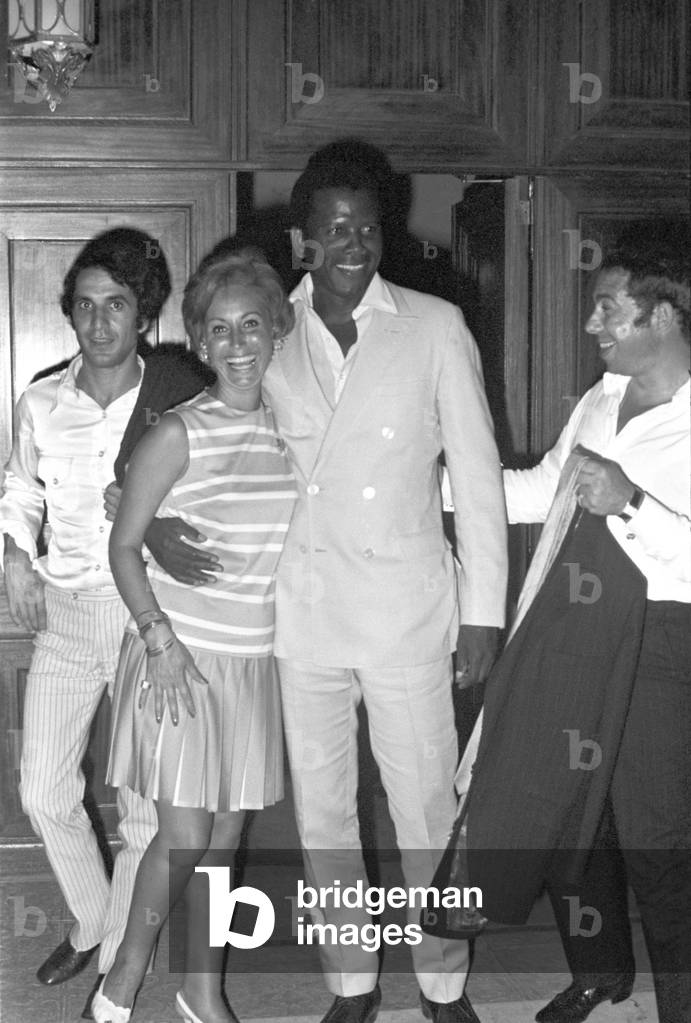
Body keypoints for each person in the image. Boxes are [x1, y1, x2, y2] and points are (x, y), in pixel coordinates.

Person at [148, 140, 508, 1023]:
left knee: (425, 804)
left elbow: (478, 473)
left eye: (366, 225)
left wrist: (482, 614)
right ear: (305, 240)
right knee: (324, 815)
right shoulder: (269, 330)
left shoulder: (432, 326)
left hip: (408, 612)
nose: (352, 241)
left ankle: (441, 983)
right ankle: (350, 983)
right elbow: (192, 426)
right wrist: (144, 509)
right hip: (301, 616)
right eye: (333, 226)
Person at [456, 225, 690, 1023]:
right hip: (573, 622)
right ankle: (600, 970)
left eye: (607, 310)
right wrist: (431, 481)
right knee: (567, 814)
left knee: (657, 840)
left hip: (662, 638)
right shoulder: (599, 399)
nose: (591, 325)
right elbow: (536, 492)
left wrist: (628, 502)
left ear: (661, 317)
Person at [91, 248, 297, 1023]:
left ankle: (200, 990)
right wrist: (158, 640)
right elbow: (124, 542)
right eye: (221, 329)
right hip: (174, 652)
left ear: (278, 332)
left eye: (253, 325)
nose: (239, 343)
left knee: (222, 842)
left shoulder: (297, 430)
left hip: (252, 660)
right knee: (182, 833)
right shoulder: (179, 432)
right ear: (200, 344)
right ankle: (123, 974)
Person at [0, 228, 191, 1005]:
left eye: (116, 304)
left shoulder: (179, 395)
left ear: (142, 313)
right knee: (43, 788)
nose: (100, 322)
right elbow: (21, 488)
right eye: (85, 306)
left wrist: (156, 503)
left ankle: (116, 955)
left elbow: (216, 490)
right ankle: (93, 924)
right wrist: (14, 553)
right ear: (71, 314)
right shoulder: (41, 398)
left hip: (148, 613)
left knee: (143, 805)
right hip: (70, 610)